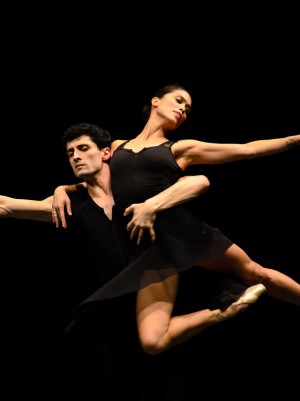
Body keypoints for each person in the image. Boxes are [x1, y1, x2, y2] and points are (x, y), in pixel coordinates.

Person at [53, 84, 300, 357]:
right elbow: (92, 180)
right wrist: (60, 189)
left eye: (188, 108)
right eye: (179, 101)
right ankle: (225, 310)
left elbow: (248, 150)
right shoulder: (115, 147)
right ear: (155, 101)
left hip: (181, 231)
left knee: (258, 273)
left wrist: (295, 140)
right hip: (151, 250)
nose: (183, 109)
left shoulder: (180, 148)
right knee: (152, 343)